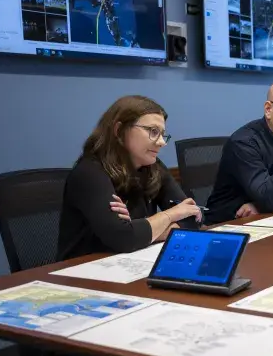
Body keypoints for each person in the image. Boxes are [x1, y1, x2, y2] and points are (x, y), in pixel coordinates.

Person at [58, 95, 202, 261]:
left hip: (128, 263)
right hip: (80, 272)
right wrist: (170, 215)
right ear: (119, 131)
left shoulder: (153, 166)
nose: (162, 142)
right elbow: (124, 238)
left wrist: (143, 231)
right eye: (153, 132)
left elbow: (194, 217)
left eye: (163, 134)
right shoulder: (89, 172)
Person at [204, 81, 273, 224]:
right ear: (268, 109)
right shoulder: (244, 142)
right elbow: (268, 198)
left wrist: (259, 206)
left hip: (270, 216)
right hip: (228, 223)